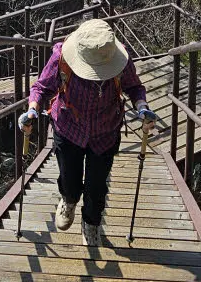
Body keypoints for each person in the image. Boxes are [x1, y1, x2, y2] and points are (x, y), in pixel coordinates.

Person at [18, 18, 157, 247]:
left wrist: (142, 107)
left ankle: (91, 223)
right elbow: (42, 87)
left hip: (105, 131)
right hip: (68, 127)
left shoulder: (120, 59)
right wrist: (32, 109)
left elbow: (134, 86)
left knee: (97, 185)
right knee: (69, 178)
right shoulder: (62, 56)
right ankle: (69, 200)